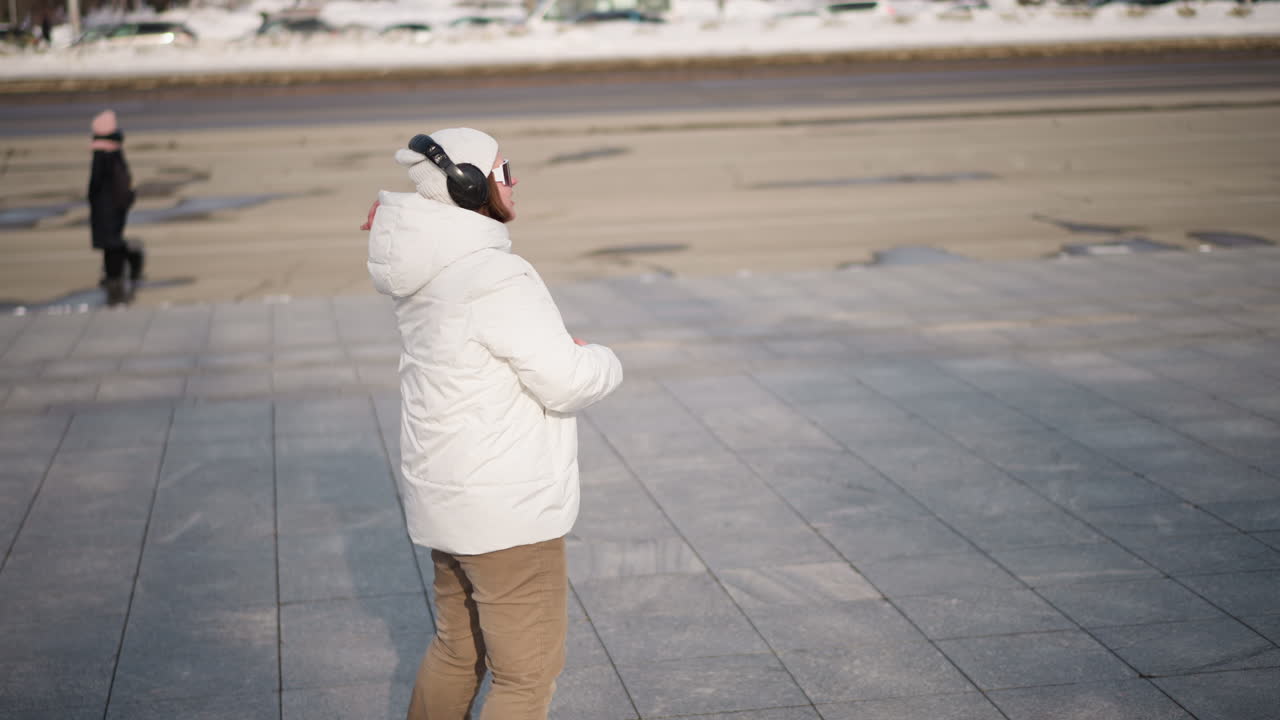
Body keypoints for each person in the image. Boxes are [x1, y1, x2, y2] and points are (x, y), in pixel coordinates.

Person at [364, 127, 623, 720]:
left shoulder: (430, 268)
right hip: (507, 513)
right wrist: (603, 359)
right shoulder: (495, 275)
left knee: (458, 651)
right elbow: (565, 379)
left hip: (448, 499)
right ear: (469, 185)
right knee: (526, 679)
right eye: (505, 171)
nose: (514, 182)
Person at [88, 110, 144, 306]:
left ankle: (117, 274)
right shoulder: (114, 151)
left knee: (111, 243)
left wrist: (93, 199)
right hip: (116, 205)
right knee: (111, 241)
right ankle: (116, 272)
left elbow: (95, 184)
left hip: (106, 206)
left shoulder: (102, 155)